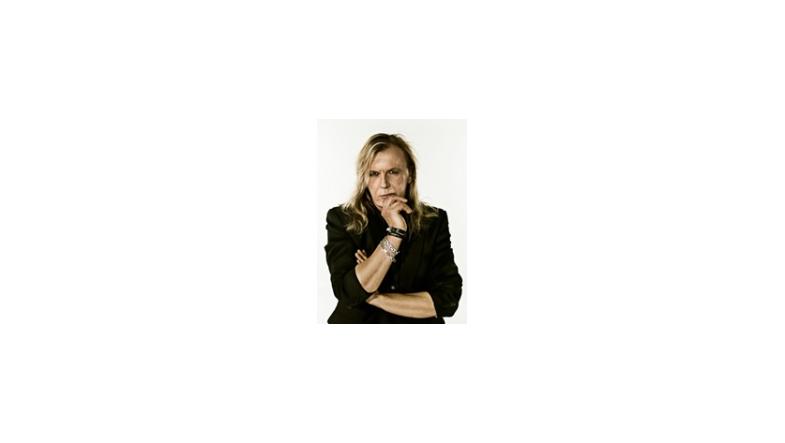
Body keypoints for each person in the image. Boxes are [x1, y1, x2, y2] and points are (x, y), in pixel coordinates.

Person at [324, 133, 463, 323]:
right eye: (374, 174)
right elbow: (348, 293)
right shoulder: (342, 219)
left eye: (393, 172)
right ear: (364, 178)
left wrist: (375, 297)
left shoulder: (434, 221)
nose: (384, 184)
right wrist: (395, 234)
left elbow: (447, 301)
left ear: (409, 174)